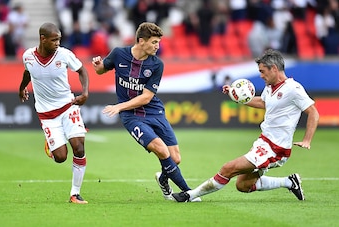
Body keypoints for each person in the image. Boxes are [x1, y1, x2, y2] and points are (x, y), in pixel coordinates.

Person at [172, 49, 319, 202]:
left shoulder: (293, 89)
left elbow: (313, 112)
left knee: (228, 168)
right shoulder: (270, 87)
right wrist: (236, 96)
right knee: (243, 185)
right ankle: (289, 182)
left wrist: (307, 139)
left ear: (274, 68)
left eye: (263, 71)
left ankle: (189, 195)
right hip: (264, 141)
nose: (261, 75)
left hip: (276, 149)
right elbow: (263, 103)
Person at [92, 22, 200, 201]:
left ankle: (163, 179)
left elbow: (146, 97)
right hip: (131, 116)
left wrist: (118, 106)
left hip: (153, 111)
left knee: (175, 158)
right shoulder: (119, 53)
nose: (158, 46)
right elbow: (101, 70)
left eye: (158, 42)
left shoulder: (157, 64)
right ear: (141, 41)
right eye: (154, 42)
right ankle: (189, 192)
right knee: (161, 149)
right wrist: (98, 66)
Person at [18, 22, 89, 204]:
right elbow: (28, 72)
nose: (57, 43)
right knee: (60, 157)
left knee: (79, 147)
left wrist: (85, 92)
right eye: (54, 40)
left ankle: (75, 193)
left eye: (59, 39)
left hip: (68, 106)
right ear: (42, 39)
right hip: (47, 114)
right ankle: (51, 145)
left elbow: (82, 70)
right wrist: (22, 87)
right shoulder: (28, 56)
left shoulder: (64, 55)